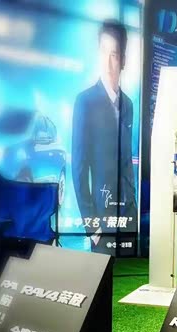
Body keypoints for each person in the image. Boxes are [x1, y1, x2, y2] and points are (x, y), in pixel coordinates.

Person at [72, 19, 137, 254]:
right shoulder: (85, 101)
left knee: (131, 274)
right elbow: (79, 168)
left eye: (115, 54)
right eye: (103, 52)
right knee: (104, 273)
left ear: (123, 60)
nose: (108, 63)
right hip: (101, 219)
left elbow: (126, 162)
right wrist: (92, 226)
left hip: (128, 216)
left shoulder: (128, 104)